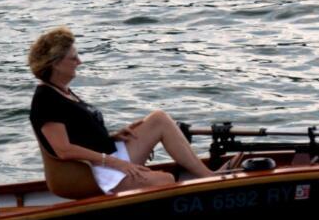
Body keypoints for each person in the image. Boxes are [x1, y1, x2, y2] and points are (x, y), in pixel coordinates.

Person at [28, 26, 222, 193]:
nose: (79, 62)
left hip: (108, 156)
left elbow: (79, 135)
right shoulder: (46, 100)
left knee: (159, 119)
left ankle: (208, 176)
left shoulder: (63, 92)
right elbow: (64, 150)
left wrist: (112, 137)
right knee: (166, 180)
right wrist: (116, 163)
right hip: (97, 172)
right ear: (56, 64)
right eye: (73, 58)